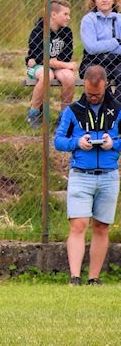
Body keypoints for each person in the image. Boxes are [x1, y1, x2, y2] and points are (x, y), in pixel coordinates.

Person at [54, 64, 121, 285]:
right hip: (81, 175)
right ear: (85, 87)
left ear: (105, 87)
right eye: (91, 94)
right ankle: (74, 277)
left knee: (101, 227)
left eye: (99, 94)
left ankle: (94, 278)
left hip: (109, 176)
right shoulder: (72, 110)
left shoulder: (117, 109)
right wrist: (77, 143)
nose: (94, 98)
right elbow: (58, 140)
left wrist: (114, 144)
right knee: (78, 225)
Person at [26, 0, 78, 128]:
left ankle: (64, 115)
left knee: (69, 77)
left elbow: (66, 56)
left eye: (69, 14)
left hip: (57, 66)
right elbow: (38, 58)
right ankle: (34, 112)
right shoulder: (38, 31)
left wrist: (55, 62)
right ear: (53, 15)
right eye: (65, 14)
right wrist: (58, 63)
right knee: (47, 75)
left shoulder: (67, 32)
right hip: (38, 67)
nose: (68, 18)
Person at [79, 0, 121, 91]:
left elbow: (97, 45)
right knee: (99, 77)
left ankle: (116, 107)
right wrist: (116, 42)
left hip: (118, 60)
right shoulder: (88, 20)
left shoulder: (119, 19)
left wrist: (102, 46)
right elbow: (92, 48)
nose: (104, 0)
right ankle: (103, 107)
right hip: (94, 61)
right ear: (94, 1)